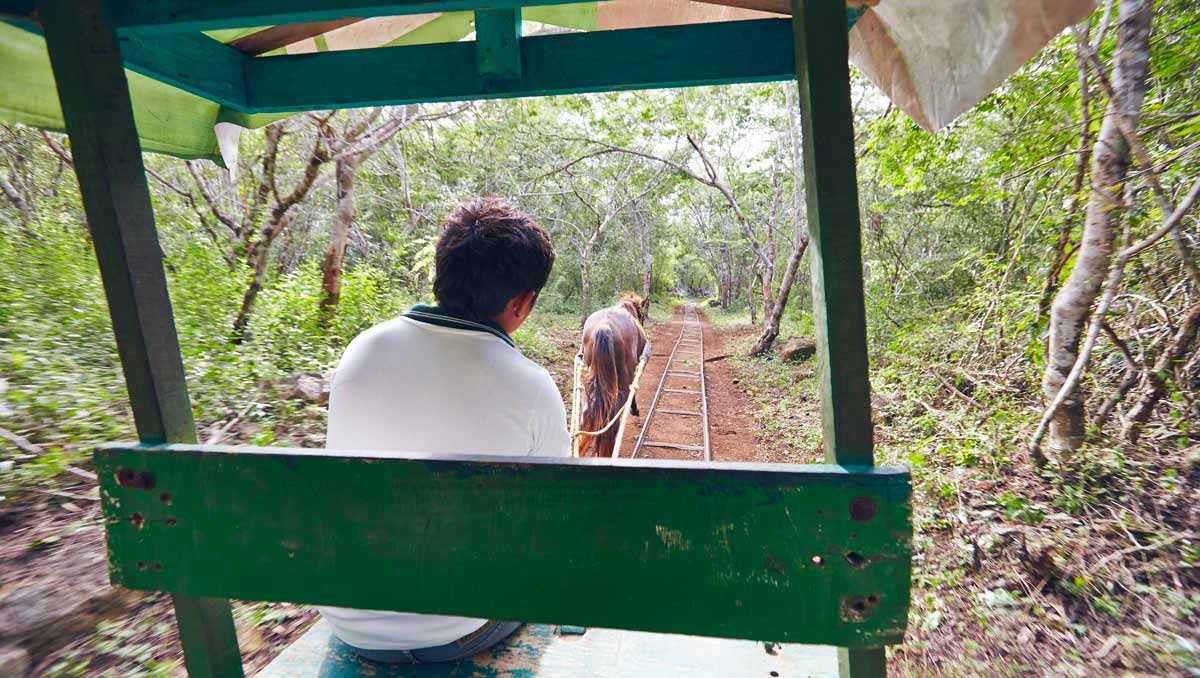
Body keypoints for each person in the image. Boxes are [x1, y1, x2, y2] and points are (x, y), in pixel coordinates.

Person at [317, 198, 570, 664]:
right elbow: (551, 521)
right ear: (521, 302)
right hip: (462, 629)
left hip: (348, 620)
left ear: (441, 273)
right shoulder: (532, 386)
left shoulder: (361, 351)